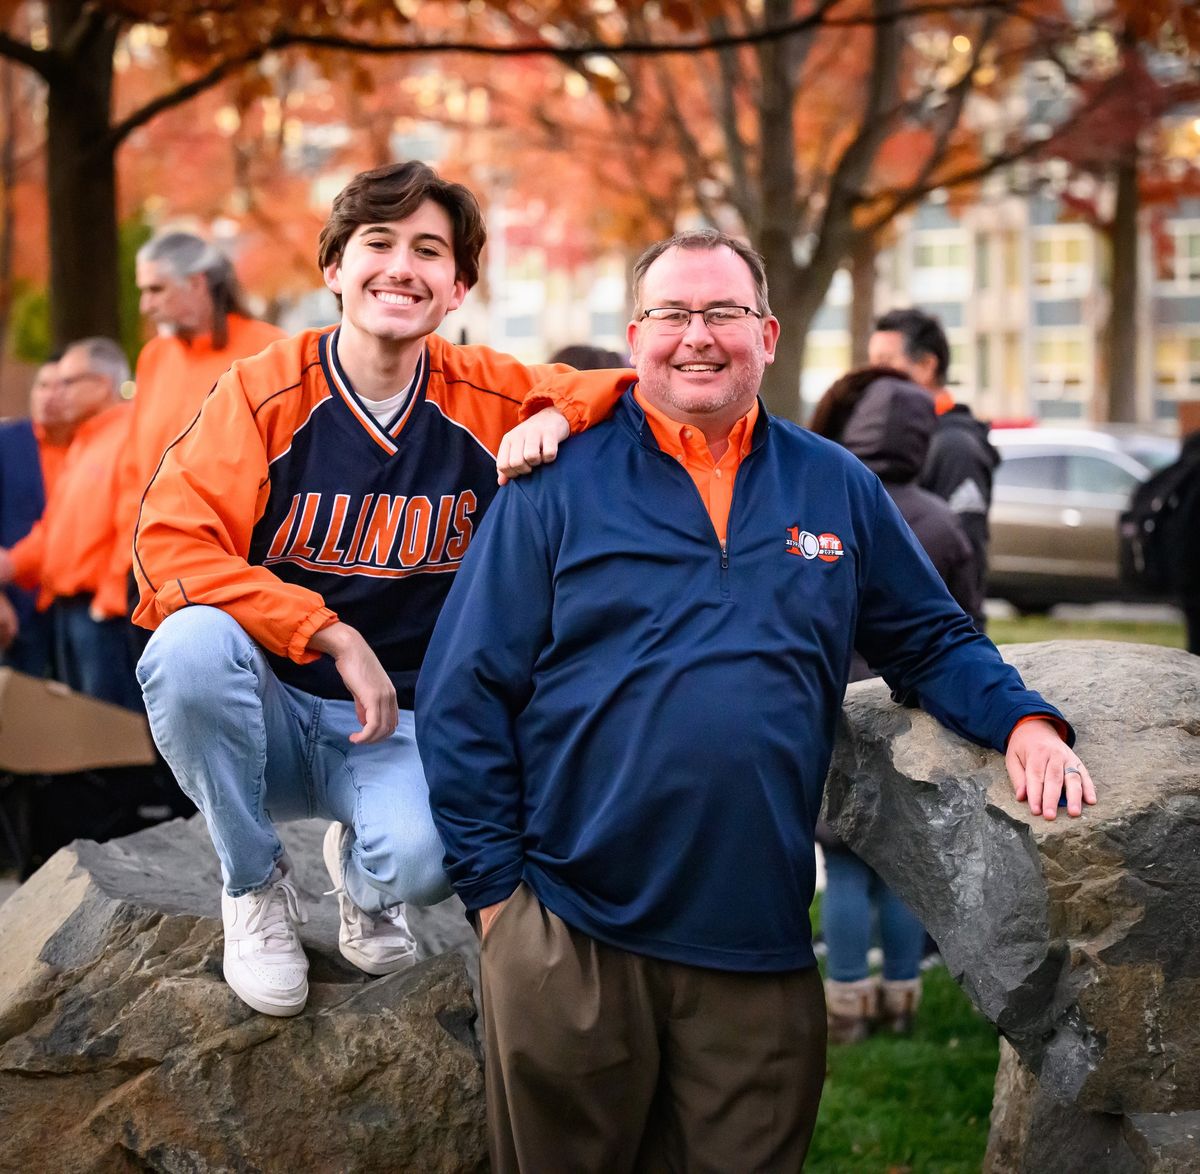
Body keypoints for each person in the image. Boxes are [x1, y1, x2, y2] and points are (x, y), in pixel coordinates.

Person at [416, 229, 1096, 1172]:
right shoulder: (555, 484)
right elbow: (463, 691)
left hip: (759, 941)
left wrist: (1024, 719)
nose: (698, 335)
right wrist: (498, 902)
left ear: (767, 335)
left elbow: (931, 639)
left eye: (724, 313)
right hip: (569, 933)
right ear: (635, 335)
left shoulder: (834, 485)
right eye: (672, 314)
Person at [131, 161, 627, 1019]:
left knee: (437, 857)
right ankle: (253, 884)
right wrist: (329, 634)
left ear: (457, 287)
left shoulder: (485, 392)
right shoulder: (263, 391)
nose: (402, 266)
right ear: (334, 268)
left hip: (396, 724)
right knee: (186, 649)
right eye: (379, 243)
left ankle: (367, 880)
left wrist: (555, 410)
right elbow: (168, 546)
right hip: (272, 711)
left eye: (429, 251)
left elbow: (617, 388)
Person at [808, 366, 982, 1043]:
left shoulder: (826, 500)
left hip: (833, 710)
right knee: (906, 866)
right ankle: (903, 999)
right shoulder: (940, 521)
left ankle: (846, 1002)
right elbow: (964, 623)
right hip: (916, 715)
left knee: (845, 863)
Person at [97, 232, 286, 620]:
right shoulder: (155, 357)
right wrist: (123, 562)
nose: (146, 305)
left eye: (156, 290)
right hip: (148, 566)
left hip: (232, 571)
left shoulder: (271, 351)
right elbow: (135, 468)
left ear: (197, 283)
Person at [0, 339, 140, 709]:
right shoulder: (85, 441)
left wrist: (110, 602)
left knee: (111, 736)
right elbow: (54, 528)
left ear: (102, 385)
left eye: (68, 383)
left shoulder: (131, 436)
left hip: (101, 616)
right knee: (83, 734)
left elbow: (135, 526)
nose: (57, 394)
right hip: (69, 612)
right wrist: (12, 564)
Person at [868, 308, 998, 624]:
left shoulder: (956, 448)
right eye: (872, 365)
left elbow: (965, 566)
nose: (873, 377)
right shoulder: (896, 440)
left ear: (927, 365)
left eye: (885, 363)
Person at [0, 359, 72, 675]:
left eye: (63, 386)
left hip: (72, 607)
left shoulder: (91, 446)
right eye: (43, 386)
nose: (50, 396)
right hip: (15, 606)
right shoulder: (7, 443)